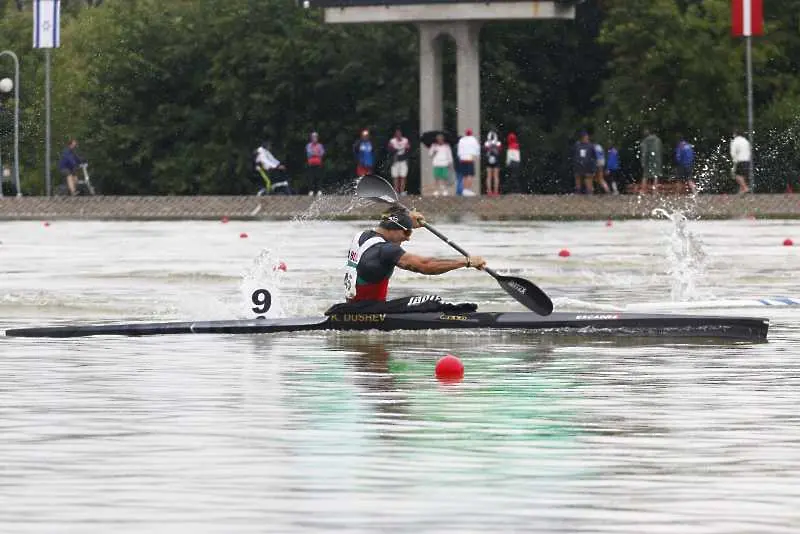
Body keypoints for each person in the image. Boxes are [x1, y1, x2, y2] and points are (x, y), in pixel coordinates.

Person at [340, 206, 487, 305]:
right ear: (394, 228)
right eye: (407, 232)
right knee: (433, 301)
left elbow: (392, 220)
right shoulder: (386, 250)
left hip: (353, 307)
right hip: (371, 312)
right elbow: (425, 266)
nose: (408, 238)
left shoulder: (362, 236)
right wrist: (466, 262)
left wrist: (408, 220)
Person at [456, 128, 481, 196]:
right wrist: (477, 156)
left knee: (464, 175)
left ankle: (464, 189)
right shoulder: (473, 140)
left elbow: (459, 151)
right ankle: (468, 189)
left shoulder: (462, 140)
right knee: (470, 175)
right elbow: (477, 149)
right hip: (470, 159)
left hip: (462, 160)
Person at [387, 129, 410, 195]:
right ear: (395, 135)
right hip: (395, 160)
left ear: (401, 134)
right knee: (395, 177)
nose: (398, 135)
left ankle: (402, 191)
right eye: (397, 134)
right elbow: (389, 148)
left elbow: (408, 147)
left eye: (399, 134)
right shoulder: (392, 141)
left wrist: (407, 147)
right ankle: (396, 191)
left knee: (403, 176)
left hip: (403, 160)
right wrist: (394, 149)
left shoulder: (405, 140)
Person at [640, 129, 663, 193]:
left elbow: (644, 152)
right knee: (656, 175)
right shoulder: (658, 140)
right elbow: (660, 151)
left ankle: (643, 190)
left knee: (645, 176)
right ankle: (655, 191)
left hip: (648, 160)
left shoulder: (645, 141)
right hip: (657, 160)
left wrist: (643, 162)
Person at [730, 129, 751, 194]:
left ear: (735, 134)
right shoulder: (746, 141)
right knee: (743, 175)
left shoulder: (735, 141)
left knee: (736, 175)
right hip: (747, 160)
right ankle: (741, 191)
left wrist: (734, 161)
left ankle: (745, 188)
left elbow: (733, 152)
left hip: (740, 160)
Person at [305, 132, 325, 196]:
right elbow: (309, 153)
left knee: (318, 177)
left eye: (315, 137)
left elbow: (322, 153)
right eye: (313, 137)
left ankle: (319, 190)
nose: (314, 138)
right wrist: (316, 153)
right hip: (311, 164)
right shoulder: (308, 145)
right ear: (311, 138)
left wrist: (314, 153)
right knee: (311, 178)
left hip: (318, 163)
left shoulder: (320, 145)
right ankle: (311, 191)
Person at [484, 130, 502, 196]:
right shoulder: (498, 143)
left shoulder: (486, 143)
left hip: (488, 161)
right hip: (496, 160)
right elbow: (500, 150)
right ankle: (496, 191)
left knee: (488, 177)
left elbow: (485, 150)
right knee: (496, 177)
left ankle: (489, 191)